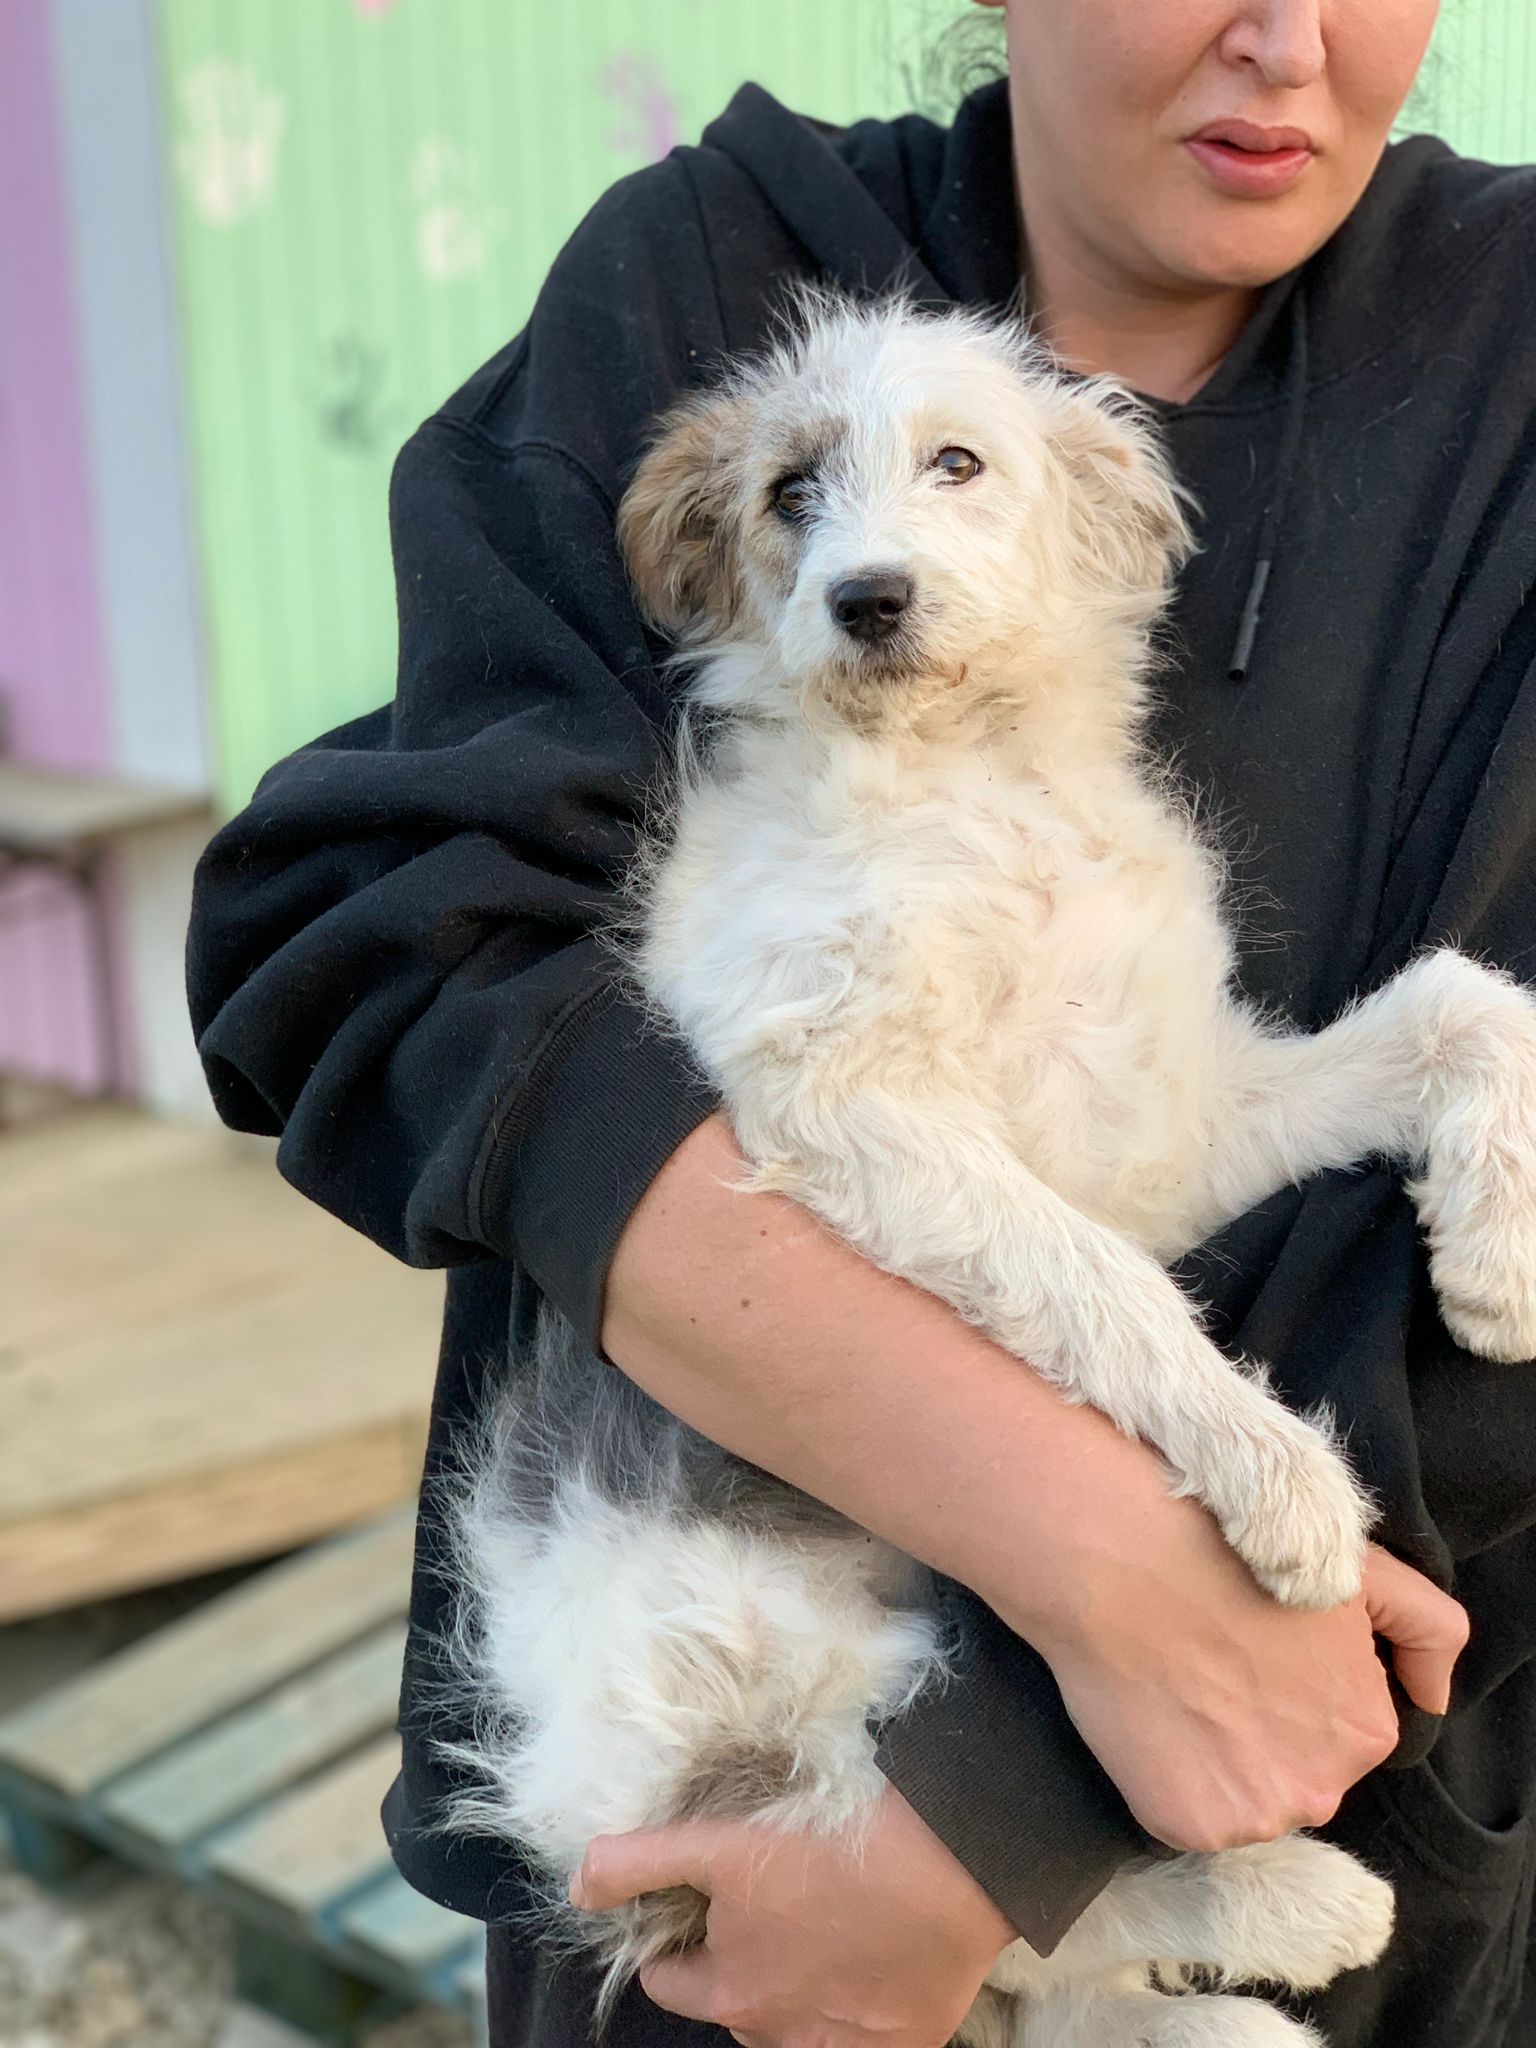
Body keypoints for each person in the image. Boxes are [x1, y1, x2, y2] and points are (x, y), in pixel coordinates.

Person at [186, 2, 1536, 2043]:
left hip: (1349, 1803)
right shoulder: (699, 271)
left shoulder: (1505, 360)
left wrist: (1007, 1808)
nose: (1289, 36)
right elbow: (380, 944)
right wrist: (1084, 1543)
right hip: (742, 1837)